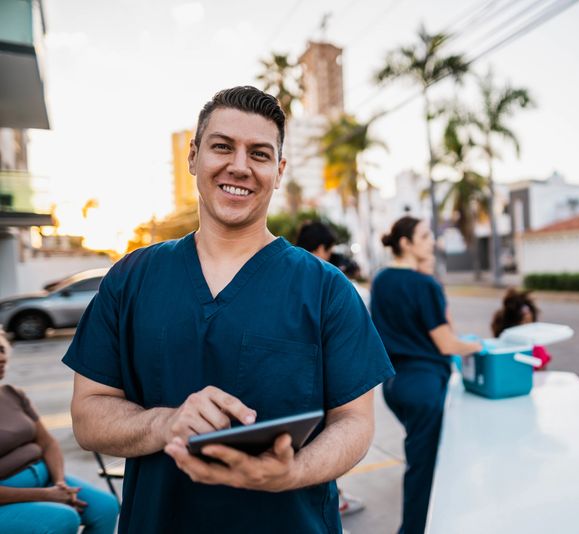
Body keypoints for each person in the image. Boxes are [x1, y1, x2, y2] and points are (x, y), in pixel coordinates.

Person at [62, 86, 394, 533]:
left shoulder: (326, 289)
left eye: (259, 153)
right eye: (222, 147)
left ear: (278, 172)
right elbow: (88, 415)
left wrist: (293, 471)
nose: (239, 166)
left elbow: (354, 422)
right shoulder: (131, 278)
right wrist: (166, 422)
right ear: (193, 157)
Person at [370, 216, 482, 534]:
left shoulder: (381, 280)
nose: (431, 240)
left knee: (427, 465)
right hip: (424, 387)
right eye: (423, 235)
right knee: (424, 473)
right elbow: (447, 342)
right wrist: (476, 346)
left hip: (394, 386)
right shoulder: (425, 285)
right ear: (405, 243)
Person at [0, 327, 119, 533]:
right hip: (8, 499)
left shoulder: (12, 394)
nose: (1, 357)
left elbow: (48, 443)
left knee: (106, 507)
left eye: (1, 350)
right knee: (63, 519)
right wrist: (47, 495)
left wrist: (59, 482)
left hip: (46, 480)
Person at [294, 220, 366, 516]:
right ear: (322, 249)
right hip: (319, 383)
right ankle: (334, 497)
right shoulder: (326, 282)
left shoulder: (283, 275)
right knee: (325, 440)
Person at [490, 289, 552, 369]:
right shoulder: (500, 349)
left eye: (530, 323)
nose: (528, 328)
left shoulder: (537, 349)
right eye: (523, 323)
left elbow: (542, 370)